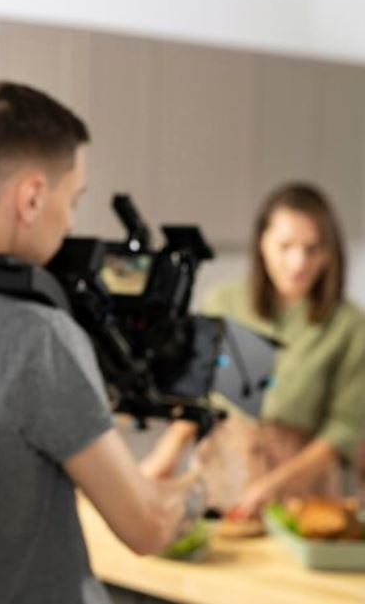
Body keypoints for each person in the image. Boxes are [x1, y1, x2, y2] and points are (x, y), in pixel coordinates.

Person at [0, 82, 200, 604]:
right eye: (71, 201)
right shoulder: (41, 337)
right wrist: (200, 486)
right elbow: (146, 528)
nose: (70, 221)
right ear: (31, 197)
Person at [141, 183, 365, 517]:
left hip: (302, 488)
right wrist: (167, 452)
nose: (298, 262)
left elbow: (343, 430)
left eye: (312, 249)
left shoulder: (349, 326)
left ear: (330, 253)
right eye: (285, 246)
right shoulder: (225, 303)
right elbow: (200, 393)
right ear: (262, 243)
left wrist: (274, 486)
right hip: (223, 472)